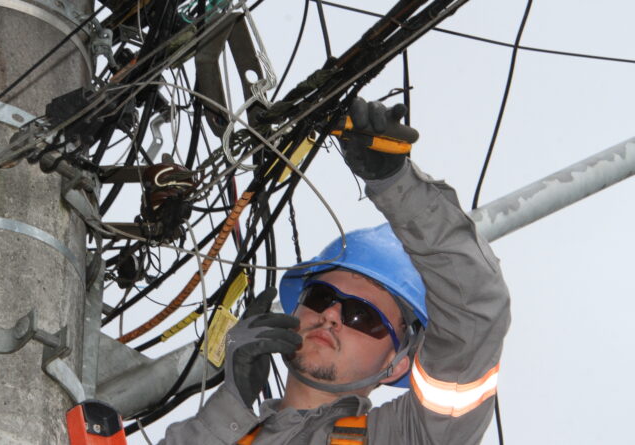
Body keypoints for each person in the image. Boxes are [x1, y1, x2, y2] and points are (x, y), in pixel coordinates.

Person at [158, 98, 511, 444]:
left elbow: (474, 309)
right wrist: (231, 404)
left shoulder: (407, 437)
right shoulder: (217, 432)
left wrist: (395, 183)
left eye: (361, 316)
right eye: (321, 297)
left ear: (397, 363)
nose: (330, 315)